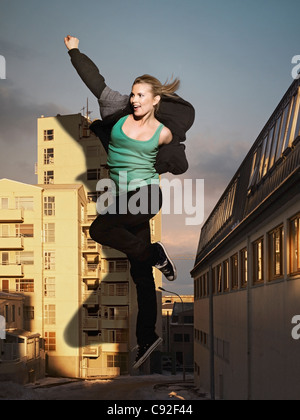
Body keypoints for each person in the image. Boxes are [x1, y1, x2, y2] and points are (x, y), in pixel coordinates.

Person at [64, 35, 195, 369]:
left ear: (154, 101)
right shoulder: (116, 108)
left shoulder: (164, 130)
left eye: (141, 96)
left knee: (99, 229)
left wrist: (170, 161)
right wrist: (74, 51)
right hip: (124, 198)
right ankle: (148, 337)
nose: (134, 100)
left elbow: (179, 160)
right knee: (140, 276)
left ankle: (155, 254)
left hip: (147, 195)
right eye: (133, 94)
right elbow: (95, 80)